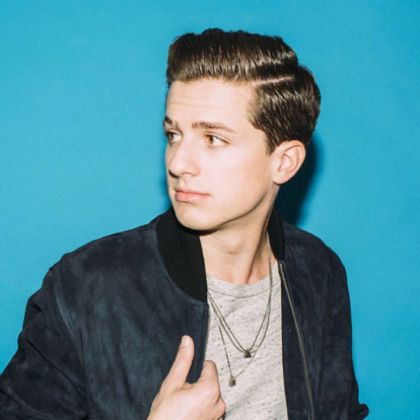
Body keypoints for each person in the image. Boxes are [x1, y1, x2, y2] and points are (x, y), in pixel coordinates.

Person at [0, 28, 368, 419]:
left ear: (284, 162)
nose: (177, 163)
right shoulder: (86, 287)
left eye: (212, 138)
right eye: (173, 135)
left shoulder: (319, 272)